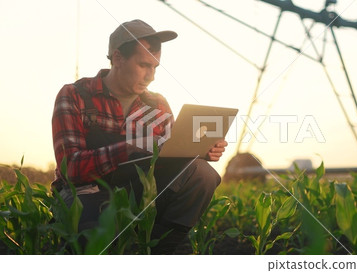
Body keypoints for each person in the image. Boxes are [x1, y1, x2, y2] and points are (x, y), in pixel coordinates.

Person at [51, 19, 228, 254]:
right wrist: (129, 148)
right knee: (100, 237)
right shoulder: (75, 95)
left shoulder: (157, 103)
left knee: (201, 173)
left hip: (139, 192)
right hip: (87, 194)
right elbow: (71, 169)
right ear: (117, 58)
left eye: (155, 67)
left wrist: (199, 151)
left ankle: (158, 246)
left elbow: (172, 158)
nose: (151, 76)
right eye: (144, 65)